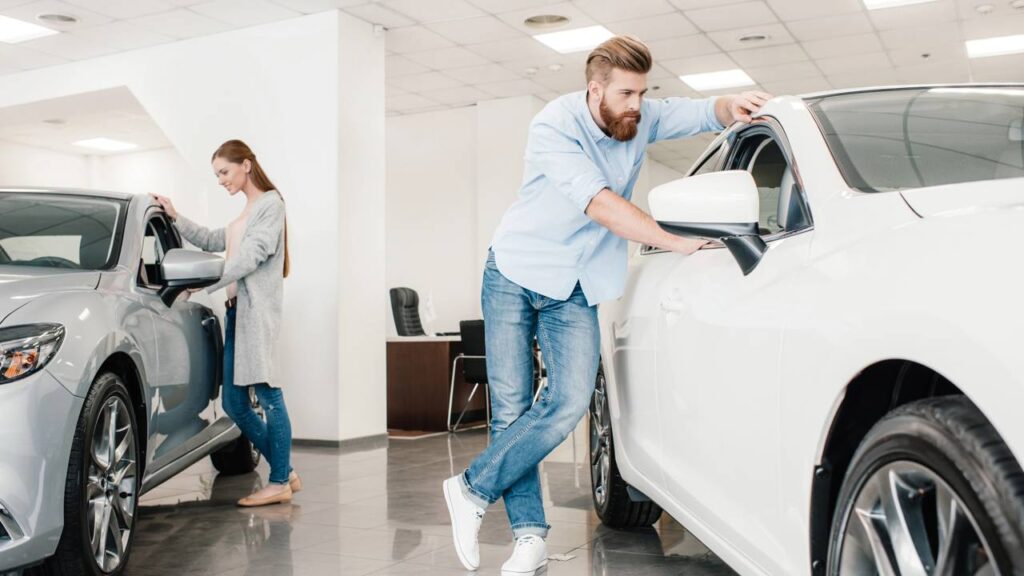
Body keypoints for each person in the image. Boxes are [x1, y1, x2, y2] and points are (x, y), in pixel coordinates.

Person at [442, 36, 771, 575]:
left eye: (643, 92)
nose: (637, 104)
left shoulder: (636, 116)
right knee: (511, 409)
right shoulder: (554, 125)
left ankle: (470, 489)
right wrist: (676, 241)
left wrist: (726, 105)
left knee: (568, 402)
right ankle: (530, 537)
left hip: (576, 283)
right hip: (514, 271)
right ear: (595, 90)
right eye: (626, 93)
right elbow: (600, 204)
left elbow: (688, 112)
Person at [152, 139, 300, 507]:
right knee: (234, 403)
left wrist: (203, 284)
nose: (220, 180)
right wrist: (175, 216)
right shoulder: (246, 212)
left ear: (246, 165)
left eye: (224, 171)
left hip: (255, 313)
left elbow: (251, 256)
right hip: (237, 313)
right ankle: (286, 470)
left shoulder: (270, 205)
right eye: (216, 174)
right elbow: (214, 240)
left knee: (268, 394)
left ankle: (279, 479)